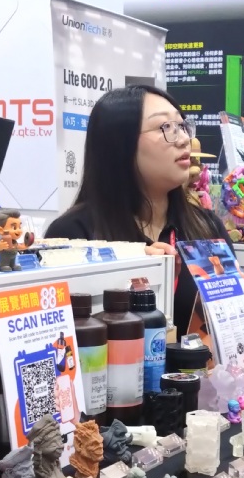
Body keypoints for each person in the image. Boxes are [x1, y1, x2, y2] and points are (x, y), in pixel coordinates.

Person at [45, 85, 231, 335]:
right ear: (119, 143)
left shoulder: (207, 227)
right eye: (166, 127)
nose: (184, 139)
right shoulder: (73, 234)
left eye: (182, 126)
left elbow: (233, 325)